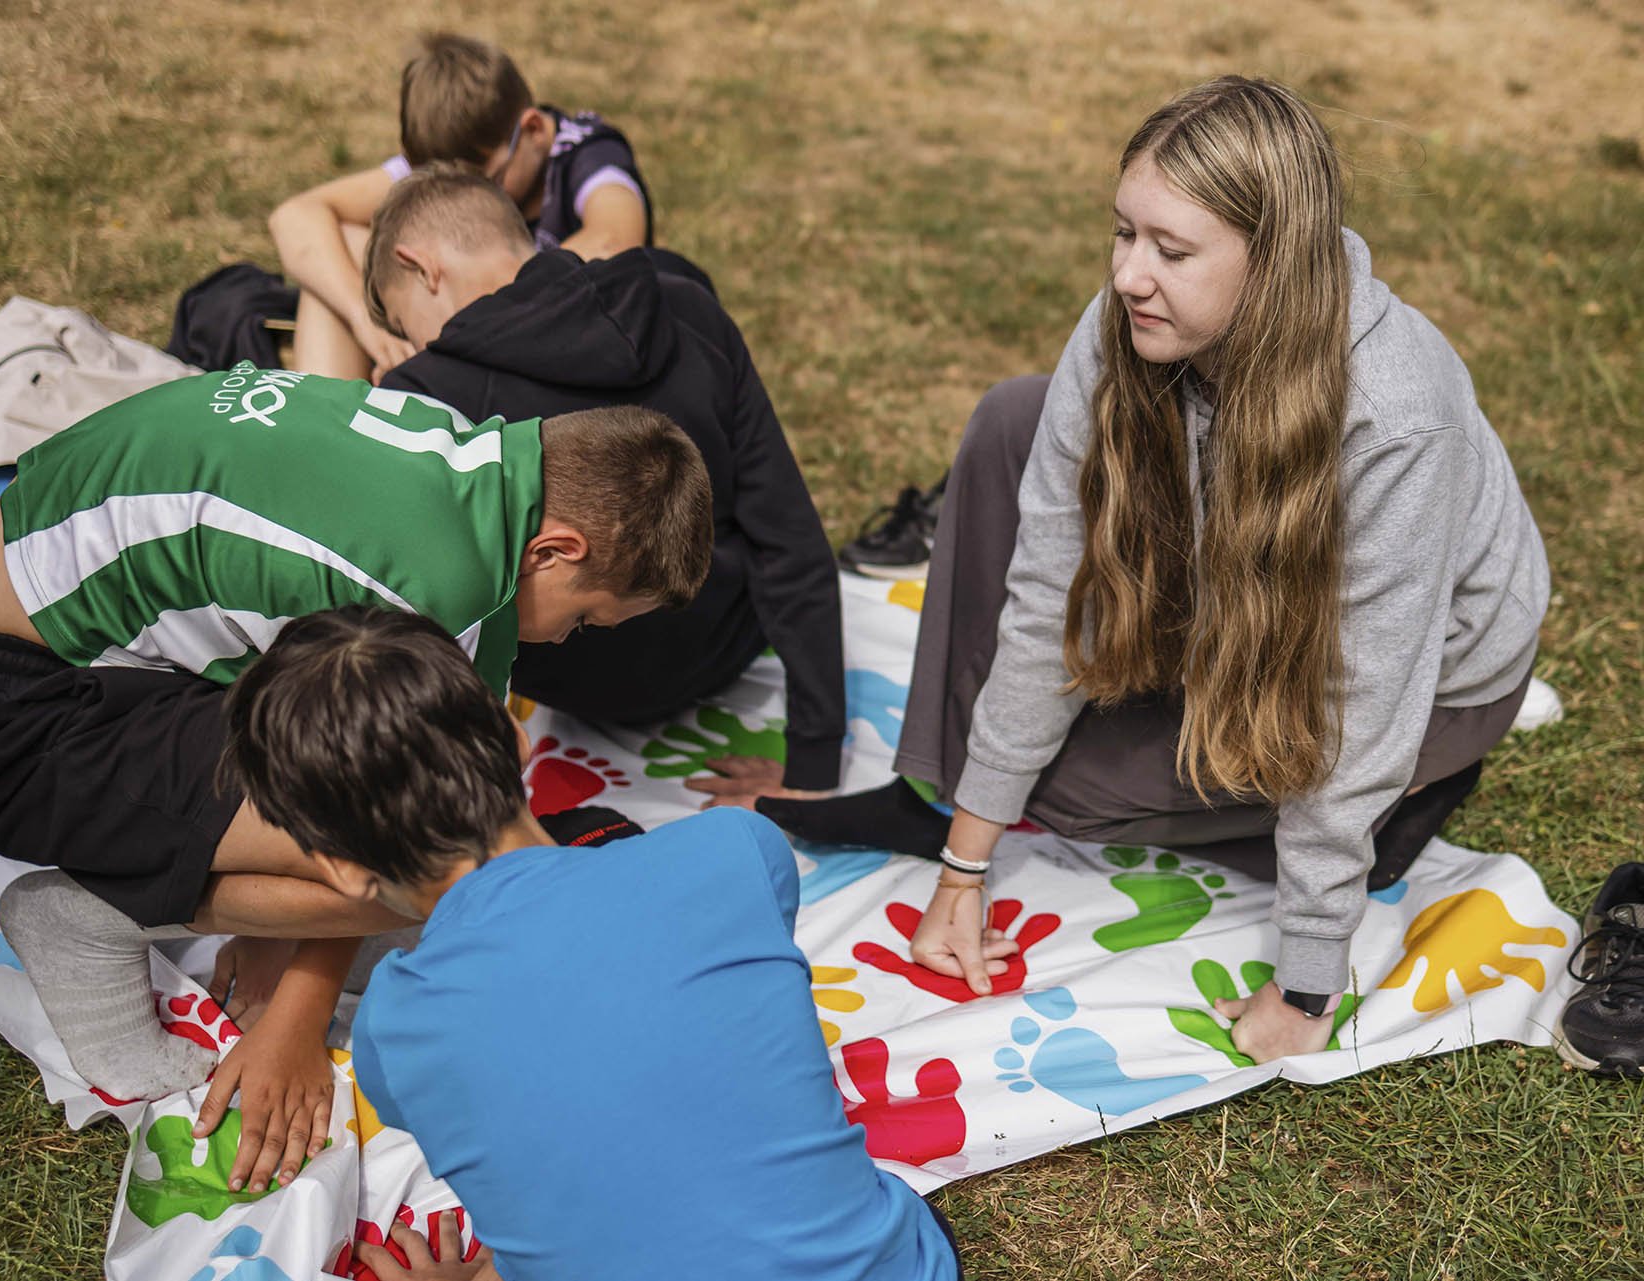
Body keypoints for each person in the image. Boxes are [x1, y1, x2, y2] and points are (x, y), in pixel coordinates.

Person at [759, 76, 1550, 1066]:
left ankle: (1393, 814)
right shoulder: (1129, 326)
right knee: (1014, 418)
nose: (1130, 276)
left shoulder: (1396, 415)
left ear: (1275, 262)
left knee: (1065, 790)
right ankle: (937, 791)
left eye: (1172, 252)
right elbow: (1048, 598)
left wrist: (1309, 975)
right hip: (1242, 606)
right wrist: (965, 862)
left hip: (1425, 690)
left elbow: (1361, 704)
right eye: (1123, 233)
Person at [0, 367, 711, 1195]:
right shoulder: (433, 585)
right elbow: (391, 821)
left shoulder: (470, 463)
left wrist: (277, 938)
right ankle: (82, 921)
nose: (565, 641)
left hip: (37, 646)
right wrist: (296, 1018)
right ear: (555, 550)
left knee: (445, 844)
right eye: (583, 618)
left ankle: (217, 889)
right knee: (441, 868)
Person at [225, 605, 962, 1281]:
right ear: (516, 737)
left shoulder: (392, 1031)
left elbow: (573, 1174)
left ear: (340, 867)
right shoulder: (735, 848)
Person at [351, 163, 844, 801]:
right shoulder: (683, 303)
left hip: (567, 685)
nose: (413, 344)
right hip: (723, 650)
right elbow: (787, 534)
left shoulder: (426, 396)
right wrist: (813, 763)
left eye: (402, 323)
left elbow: (407, 609)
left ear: (420, 266)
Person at [269, 31, 653, 382]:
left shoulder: (590, 154)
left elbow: (613, 240)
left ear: (534, 130)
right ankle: (319, 416)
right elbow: (296, 217)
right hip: (468, 342)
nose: (471, 200)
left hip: (564, 350)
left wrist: (450, 337)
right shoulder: (462, 154)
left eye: (489, 182)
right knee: (346, 245)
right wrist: (363, 319)